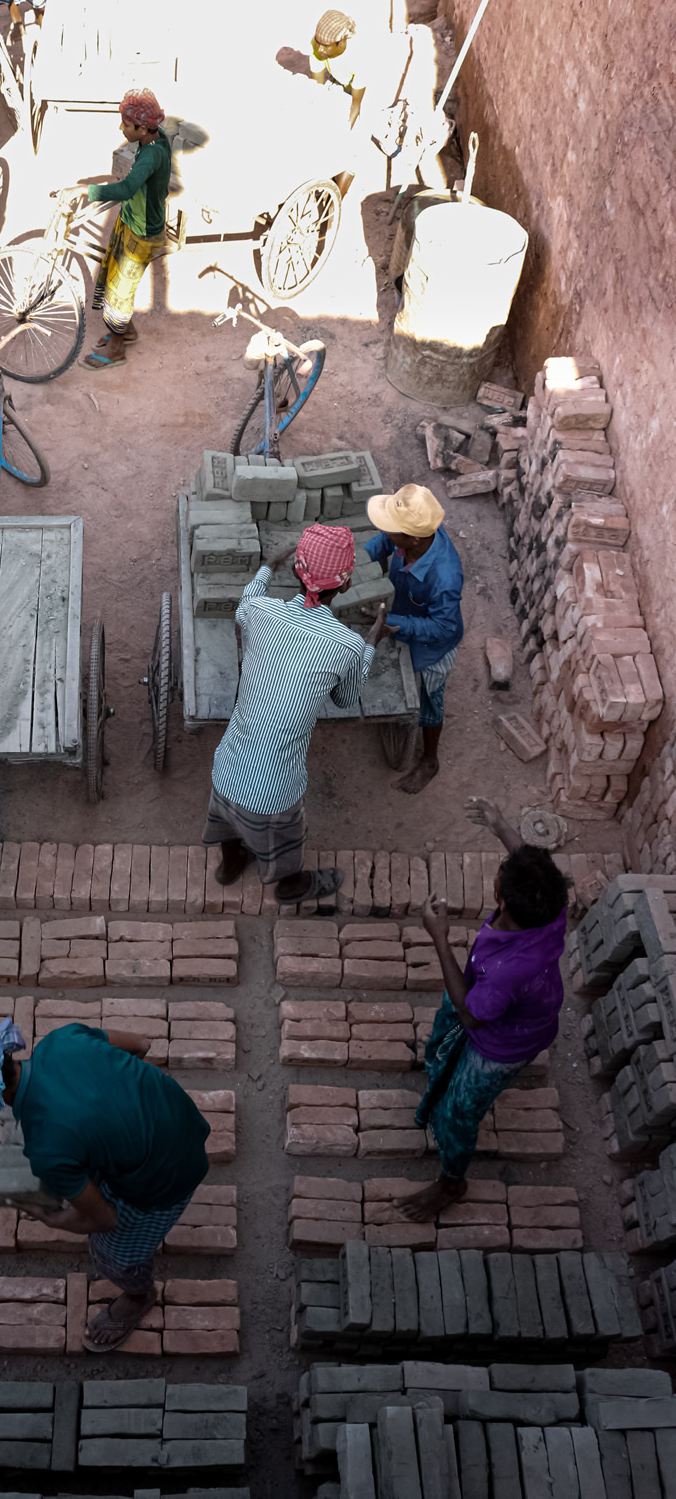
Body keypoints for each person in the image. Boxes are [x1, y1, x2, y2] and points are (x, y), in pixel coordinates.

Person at [0, 1014, 210, 1351]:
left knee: (111, 1252)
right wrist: (116, 1103)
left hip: (168, 1180)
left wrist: (49, 1217)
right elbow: (141, 1045)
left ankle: (139, 1294)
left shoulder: (46, 1149)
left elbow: (104, 1219)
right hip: (186, 1122)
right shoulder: (61, 1041)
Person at [398, 796, 569, 1223]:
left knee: (459, 1112)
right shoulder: (550, 911)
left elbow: (472, 1015)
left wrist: (439, 937)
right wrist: (500, 825)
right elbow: (535, 872)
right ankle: (441, 1073)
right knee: (444, 1043)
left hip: (496, 1043)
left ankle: (452, 1182)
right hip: (503, 1003)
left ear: (501, 899)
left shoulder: (510, 971)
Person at [203, 524, 390, 907]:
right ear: (346, 584)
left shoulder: (259, 611)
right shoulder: (347, 645)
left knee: (228, 822)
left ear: (294, 572)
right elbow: (345, 699)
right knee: (286, 839)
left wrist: (266, 567)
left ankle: (230, 865)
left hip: (225, 768)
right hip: (274, 792)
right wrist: (370, 644)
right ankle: (289, 886)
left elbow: (245, 605)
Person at [364, 483, 464, 795]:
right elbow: (383, 541)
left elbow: (443, 628)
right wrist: (357, 561)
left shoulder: (445, 577)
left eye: (392, 529)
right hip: (403, 616)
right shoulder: (411, 536)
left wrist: (393, 622)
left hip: (431, 647)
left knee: (428, 701)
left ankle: (430, 759)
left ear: (414, 539)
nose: (386, 531)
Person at [83, 88, 172, 370]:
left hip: (142, 232)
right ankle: (126, 331)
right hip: (130, 219)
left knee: (121, 290)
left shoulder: (150, 156)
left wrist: (87, 191)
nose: (121, 128)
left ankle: (117, 348)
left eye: (126, 124)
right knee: (114, 277)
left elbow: (127, 187)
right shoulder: (156, 141)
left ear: (143, 127)